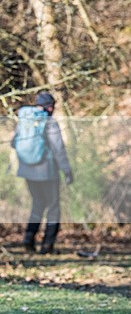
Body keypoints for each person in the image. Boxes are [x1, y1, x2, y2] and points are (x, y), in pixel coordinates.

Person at [11, 92, 73, 254]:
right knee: (53, 208)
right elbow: (58, 149)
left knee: (37, 205)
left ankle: (28, 240)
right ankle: (47, 246)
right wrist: (67, 171)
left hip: (27, 171)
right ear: (50, 106)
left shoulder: (25, 120)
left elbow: (13, 143)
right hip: (47, 172)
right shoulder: (49, 122)